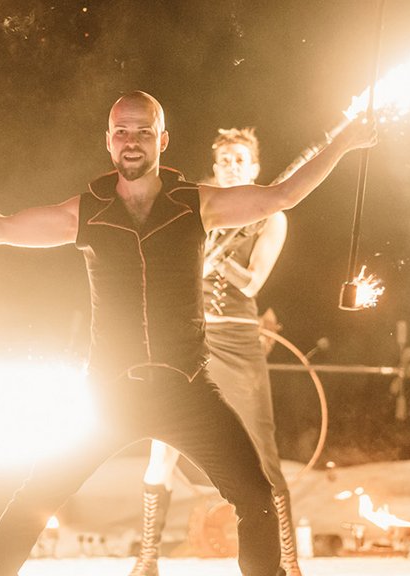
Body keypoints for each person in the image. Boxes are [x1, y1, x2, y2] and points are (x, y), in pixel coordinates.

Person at [0, 91, 375, 576]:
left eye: (143, 131)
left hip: (187, 389)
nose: (131, 141)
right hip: (109, 393)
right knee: (34, 498)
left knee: (256, 496)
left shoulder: (196, 205)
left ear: (162, 140)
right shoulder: (88, 211)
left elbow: (281, 197)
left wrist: (345, 142)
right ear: (108, 142)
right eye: (122, 131)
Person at [129, 126, 304, 576]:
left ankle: (289, 561)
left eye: (240, 160)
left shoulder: (271, 217)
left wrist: (218, 258)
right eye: (225, 159)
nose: (231, 167)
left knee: (262, 449)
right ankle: (147, 559)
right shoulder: (194, 206)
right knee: (161, 446)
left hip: (240, 339)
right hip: (188, 337)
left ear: (255, 168)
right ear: (215, 164)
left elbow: (254, 281)